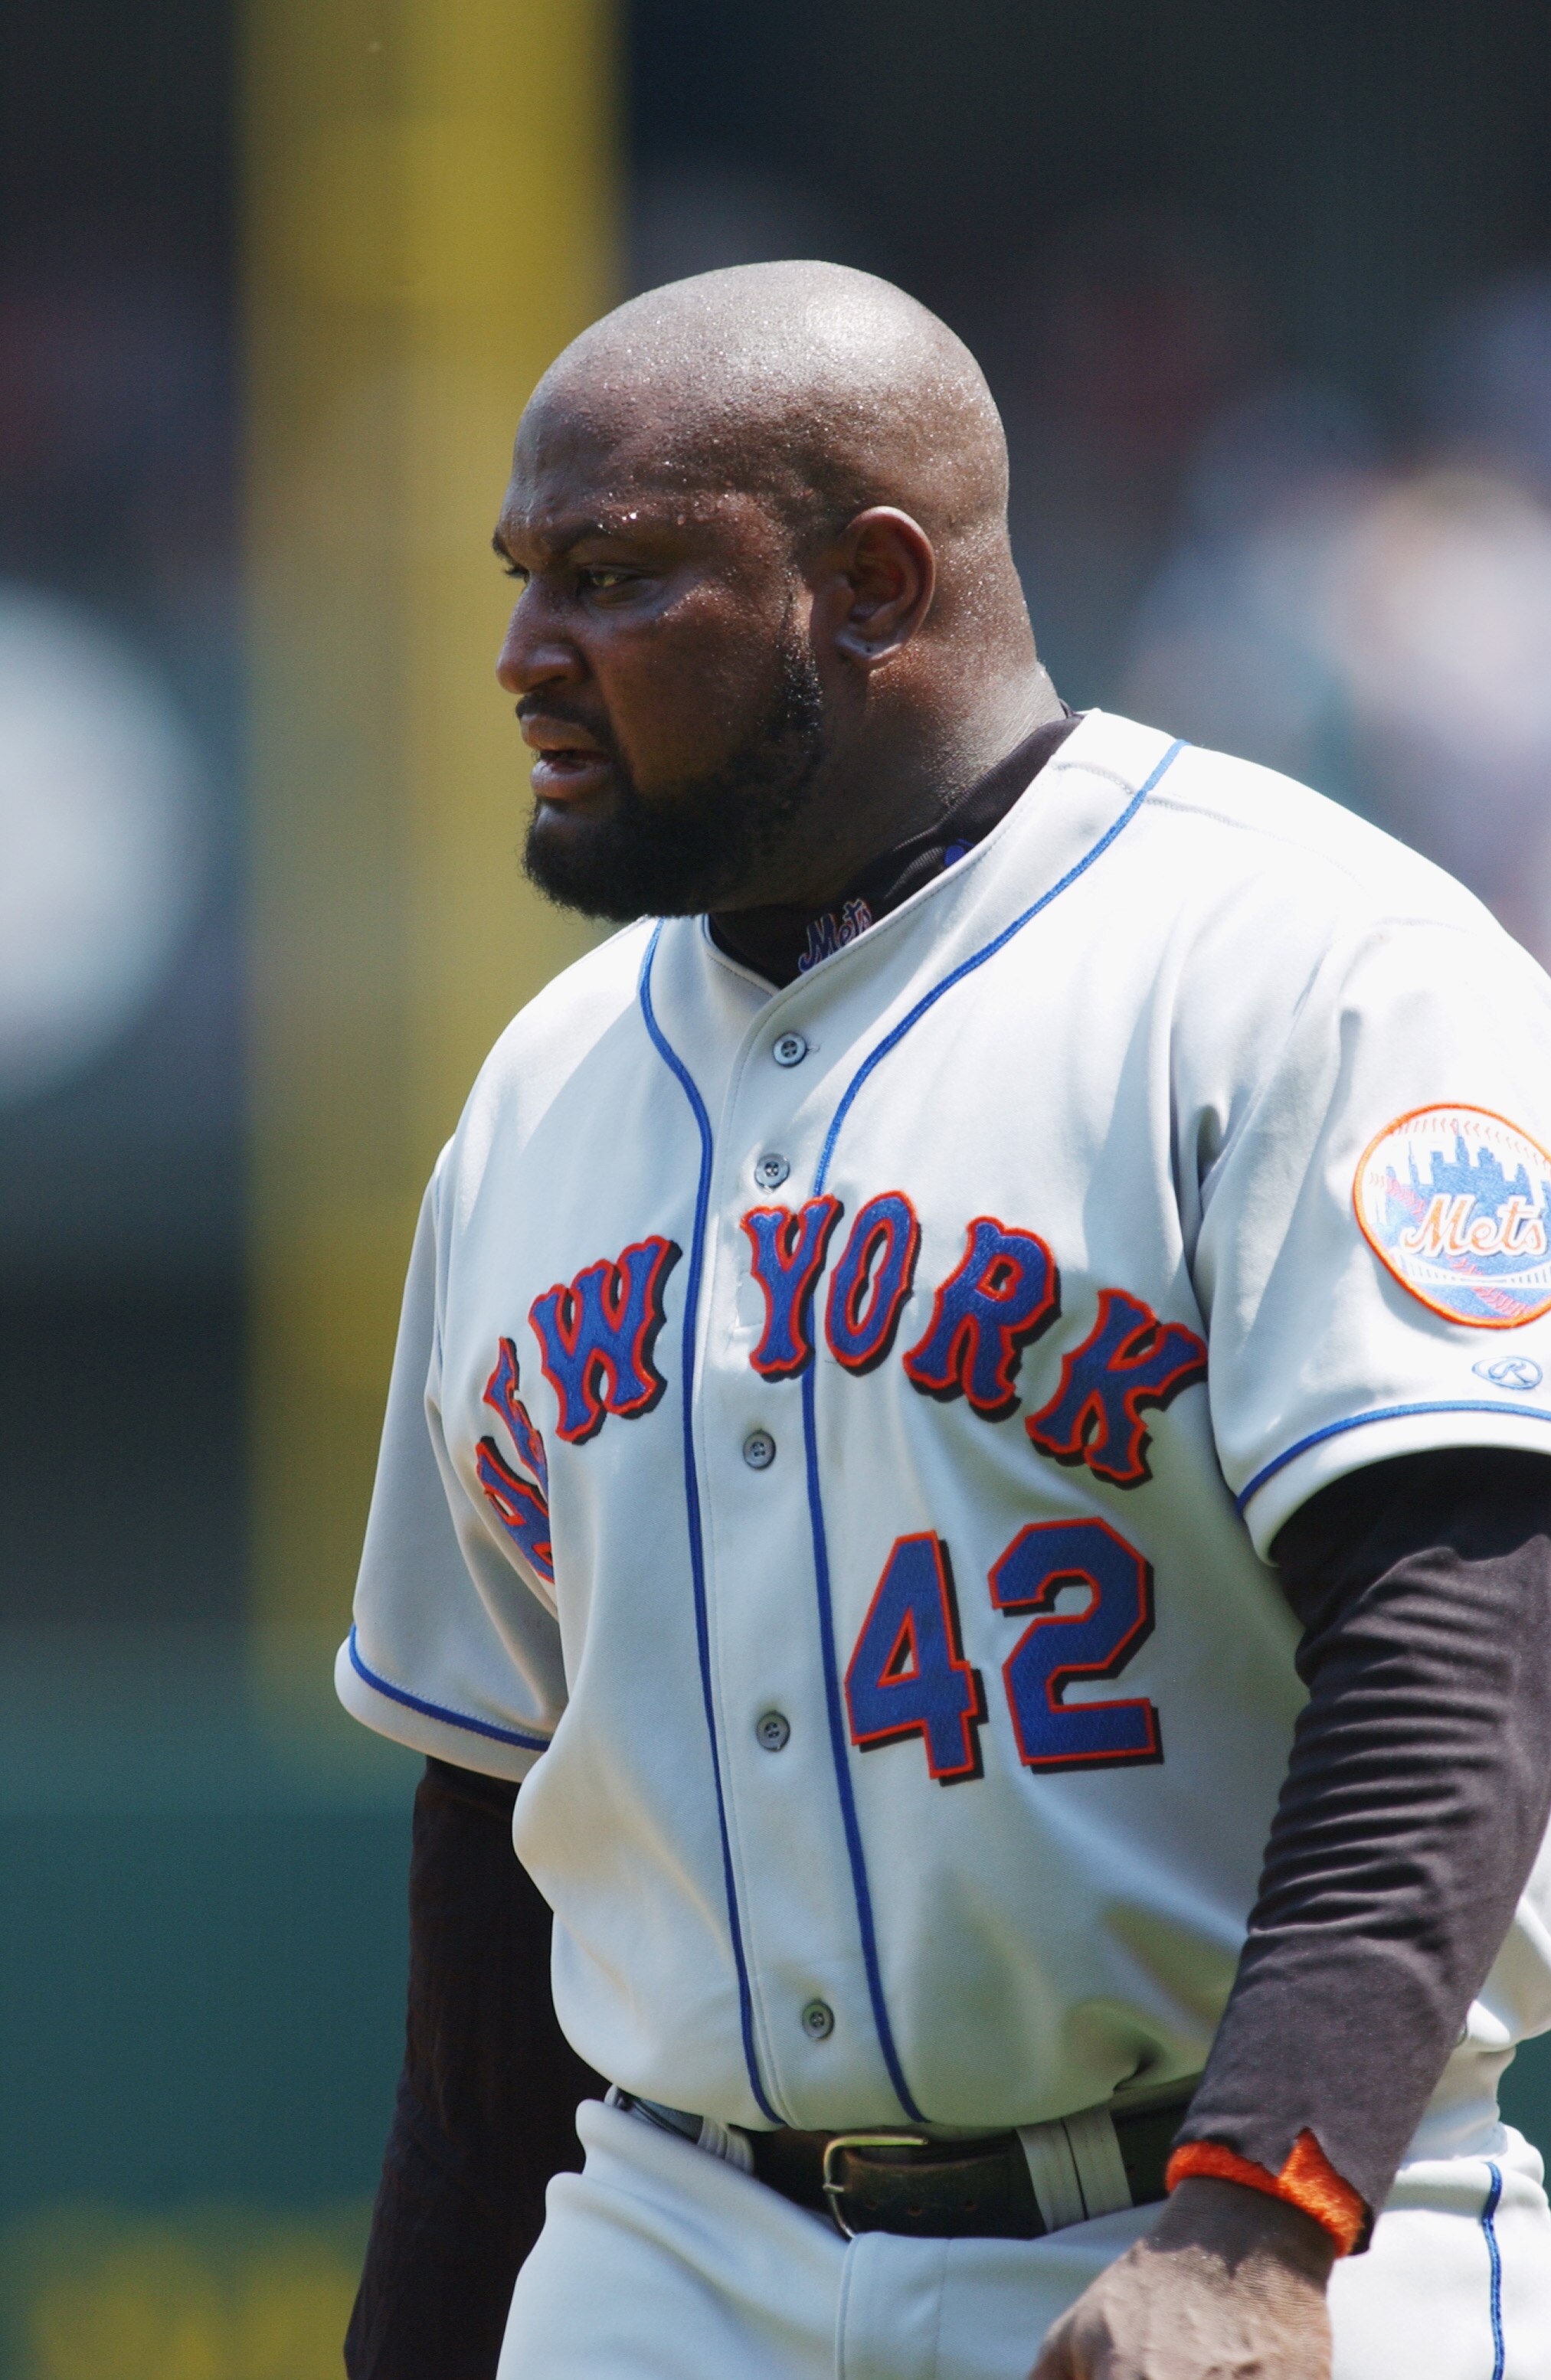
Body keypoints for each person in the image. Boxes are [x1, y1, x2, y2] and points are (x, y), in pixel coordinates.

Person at [338, 261, 1551, 2380]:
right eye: (526, 575)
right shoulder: (543, 1088)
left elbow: (1462, 1624)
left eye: (612, 577)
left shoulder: (1301, 962)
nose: (526, 657)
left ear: (869, 584)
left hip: (1249, 2225)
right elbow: (496, 1842)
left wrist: (1263, 2215)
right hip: (674, 2245)